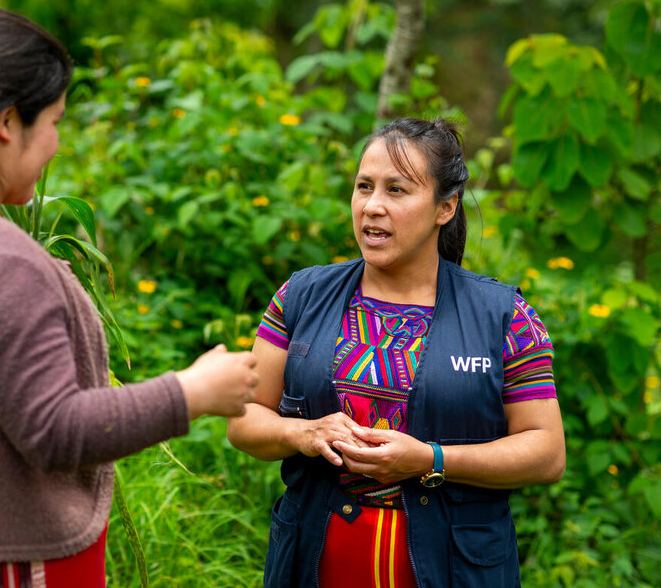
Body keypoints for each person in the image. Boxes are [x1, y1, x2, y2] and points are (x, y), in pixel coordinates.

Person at [0, 7, 258, 588]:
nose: (56, 144)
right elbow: (57, 432)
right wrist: (194, 392)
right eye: (53, 122)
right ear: (7, 123)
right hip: (3, 557)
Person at [227, 117, 565, 588]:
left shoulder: (503, 316)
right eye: (364, 187)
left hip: (453, 565)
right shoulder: (301, 295)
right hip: (316, 558)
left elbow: (546, 453)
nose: (373, 207)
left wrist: (432, 460)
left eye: (397, 190)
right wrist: (303, 432)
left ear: (445, 207)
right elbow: (243, 420)